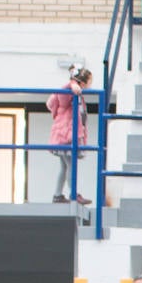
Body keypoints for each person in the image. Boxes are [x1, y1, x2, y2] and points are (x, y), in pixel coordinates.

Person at [45, 64, 94, 204]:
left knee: (65, 166)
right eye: (89, 82)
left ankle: (58, 195)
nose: (90, 85)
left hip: (66, 135)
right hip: (65, 136)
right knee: (71, 165)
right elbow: (62, 94)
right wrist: (72, 84)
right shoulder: (69, 93)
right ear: (83, 83)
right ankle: (74, 194)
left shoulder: (77, 96)